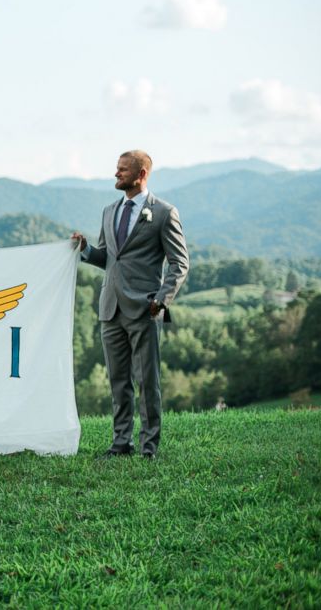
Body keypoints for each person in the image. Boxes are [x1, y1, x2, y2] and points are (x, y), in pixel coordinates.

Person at [71, 151, 188, 460]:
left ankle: (149, 447)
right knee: (118, 380)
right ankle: (121, 444)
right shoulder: (109, 211)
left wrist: (161, 301)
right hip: (110, 308)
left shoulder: (163, 212)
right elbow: (107, 257)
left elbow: (180, 263)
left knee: (147, 382)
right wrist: (85, 249)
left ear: (142, 174)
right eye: (117, 169)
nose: (116, 174)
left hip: (144, 309)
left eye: (123, 170)